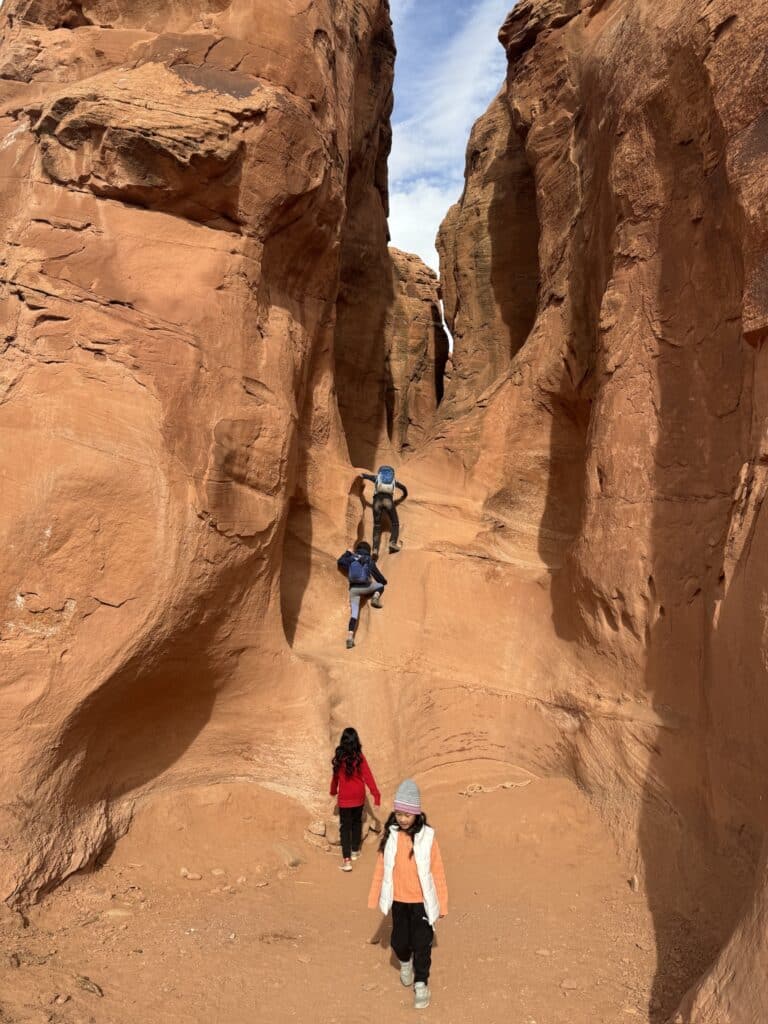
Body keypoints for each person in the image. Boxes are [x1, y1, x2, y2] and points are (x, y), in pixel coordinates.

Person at [368, 779, 448, 1010]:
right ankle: (405, 962)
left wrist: (441, 904)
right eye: (399, 813)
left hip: (421, 902)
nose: (403, 818)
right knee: (400, 942)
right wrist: (376, 896)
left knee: (422, 944)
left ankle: (421, 983)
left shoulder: (427, 838)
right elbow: (381, 869)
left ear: (417, 814)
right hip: (399, 901)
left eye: (407, 814)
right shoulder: (391, 837)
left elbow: (438, 871)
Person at [330, 727, 381, 872]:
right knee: (357, 822)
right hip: (358, 797)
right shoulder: (359, 756)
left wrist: (333, 791)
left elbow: (335, 778)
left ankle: (346, 860)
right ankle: (355, 851)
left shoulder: (339, 756)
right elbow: (368, 776)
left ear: (343, 740)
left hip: (345, 799)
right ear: (356, 740)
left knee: (345, 827)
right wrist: (376, 795)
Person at [337, 540, 387, 649]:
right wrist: (384, 582)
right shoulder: (368, 559)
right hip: (365, 587)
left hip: (353, 589)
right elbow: (379, 577)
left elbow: (340, 562)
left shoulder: (351, 558)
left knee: (354, 614)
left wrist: (348, 553)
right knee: (380, 586)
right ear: (368, 550)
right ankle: (375, 597)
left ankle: (350, 638)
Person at [359, 466, 408, 559]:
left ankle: (375, 550)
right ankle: (392, 542)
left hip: (377, 502)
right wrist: (404, 495)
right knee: (395, 523)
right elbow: (403, 488)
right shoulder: (393, 481)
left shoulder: (377, 478)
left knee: (377, 526)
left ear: (380, 472)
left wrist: (362, 475)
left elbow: (367, 476)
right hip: (388, 501)